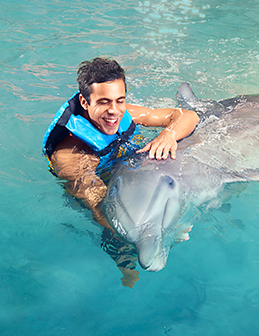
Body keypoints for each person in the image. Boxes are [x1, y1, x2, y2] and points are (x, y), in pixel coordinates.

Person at [42, 57, 199, 287]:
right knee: (124, 260)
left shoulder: (122, 113)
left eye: (120, 100)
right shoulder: (71, 157)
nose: (114, 111)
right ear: (85, 103)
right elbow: (100, 209)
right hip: (102, 191)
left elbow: (188, 116)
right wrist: (160, 233)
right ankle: (125, 271)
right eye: (104, 102)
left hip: (128, 173)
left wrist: (168, 134)